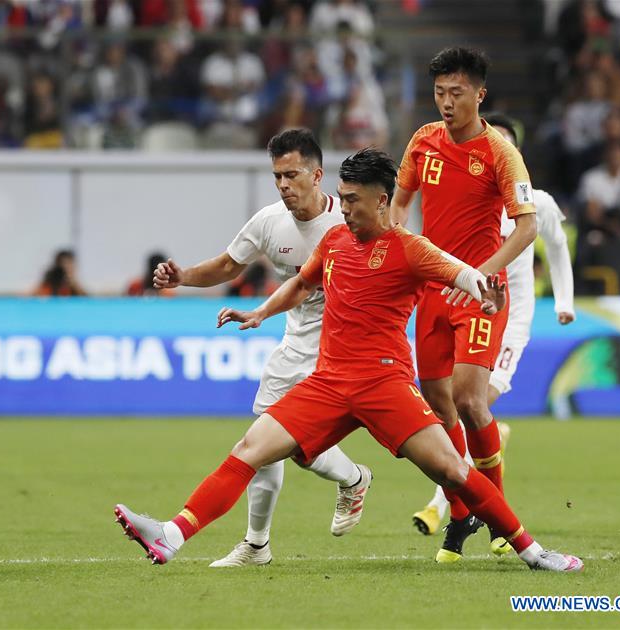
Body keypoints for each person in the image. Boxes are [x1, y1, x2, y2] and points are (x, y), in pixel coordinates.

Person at [115, 148, 583, 573]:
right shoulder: (336, 241)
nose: (346, 208)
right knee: (248, 451)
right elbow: (301, 285)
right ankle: (172, 535)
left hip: (385, 385)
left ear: (383, 201)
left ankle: (532, 551)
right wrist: (259, 312)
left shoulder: (411, 249)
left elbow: (466, 277)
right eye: (342, 196)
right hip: (329, 383)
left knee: (454, 471)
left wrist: (490, 296)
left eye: (354, 199)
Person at [152, 128, 370, 567]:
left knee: (281, 442)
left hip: (344, 351)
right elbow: (228, 265)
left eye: (291, 174)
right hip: (294, 345)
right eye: (277, 176)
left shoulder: (350, 222)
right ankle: (259, 543)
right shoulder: (270, 222)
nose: (284, 185)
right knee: (263, 439)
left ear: (317, 175)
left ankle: (371, 483)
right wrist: (183, 279)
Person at [389, 47, 538, 563]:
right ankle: (461, 509)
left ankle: (497, 514)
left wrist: (483, 273)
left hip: (480, 295)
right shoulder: (423, 142)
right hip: (433, 290)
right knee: (437, 405)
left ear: (480, 94)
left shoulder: (500, 152)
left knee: (472, 399)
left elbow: (529, 226)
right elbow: (399, 205)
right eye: (439, 93)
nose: (446, 103)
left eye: (456, 93)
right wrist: (397, 248)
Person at [412, 113, 576, 537]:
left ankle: (457, 506)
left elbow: (556, 248)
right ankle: (467, 500)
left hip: (511, 313)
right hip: (464, 305)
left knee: (473, 402)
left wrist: (564, 302)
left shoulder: (534, 203)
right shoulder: (480, 198)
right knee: (451, 404)